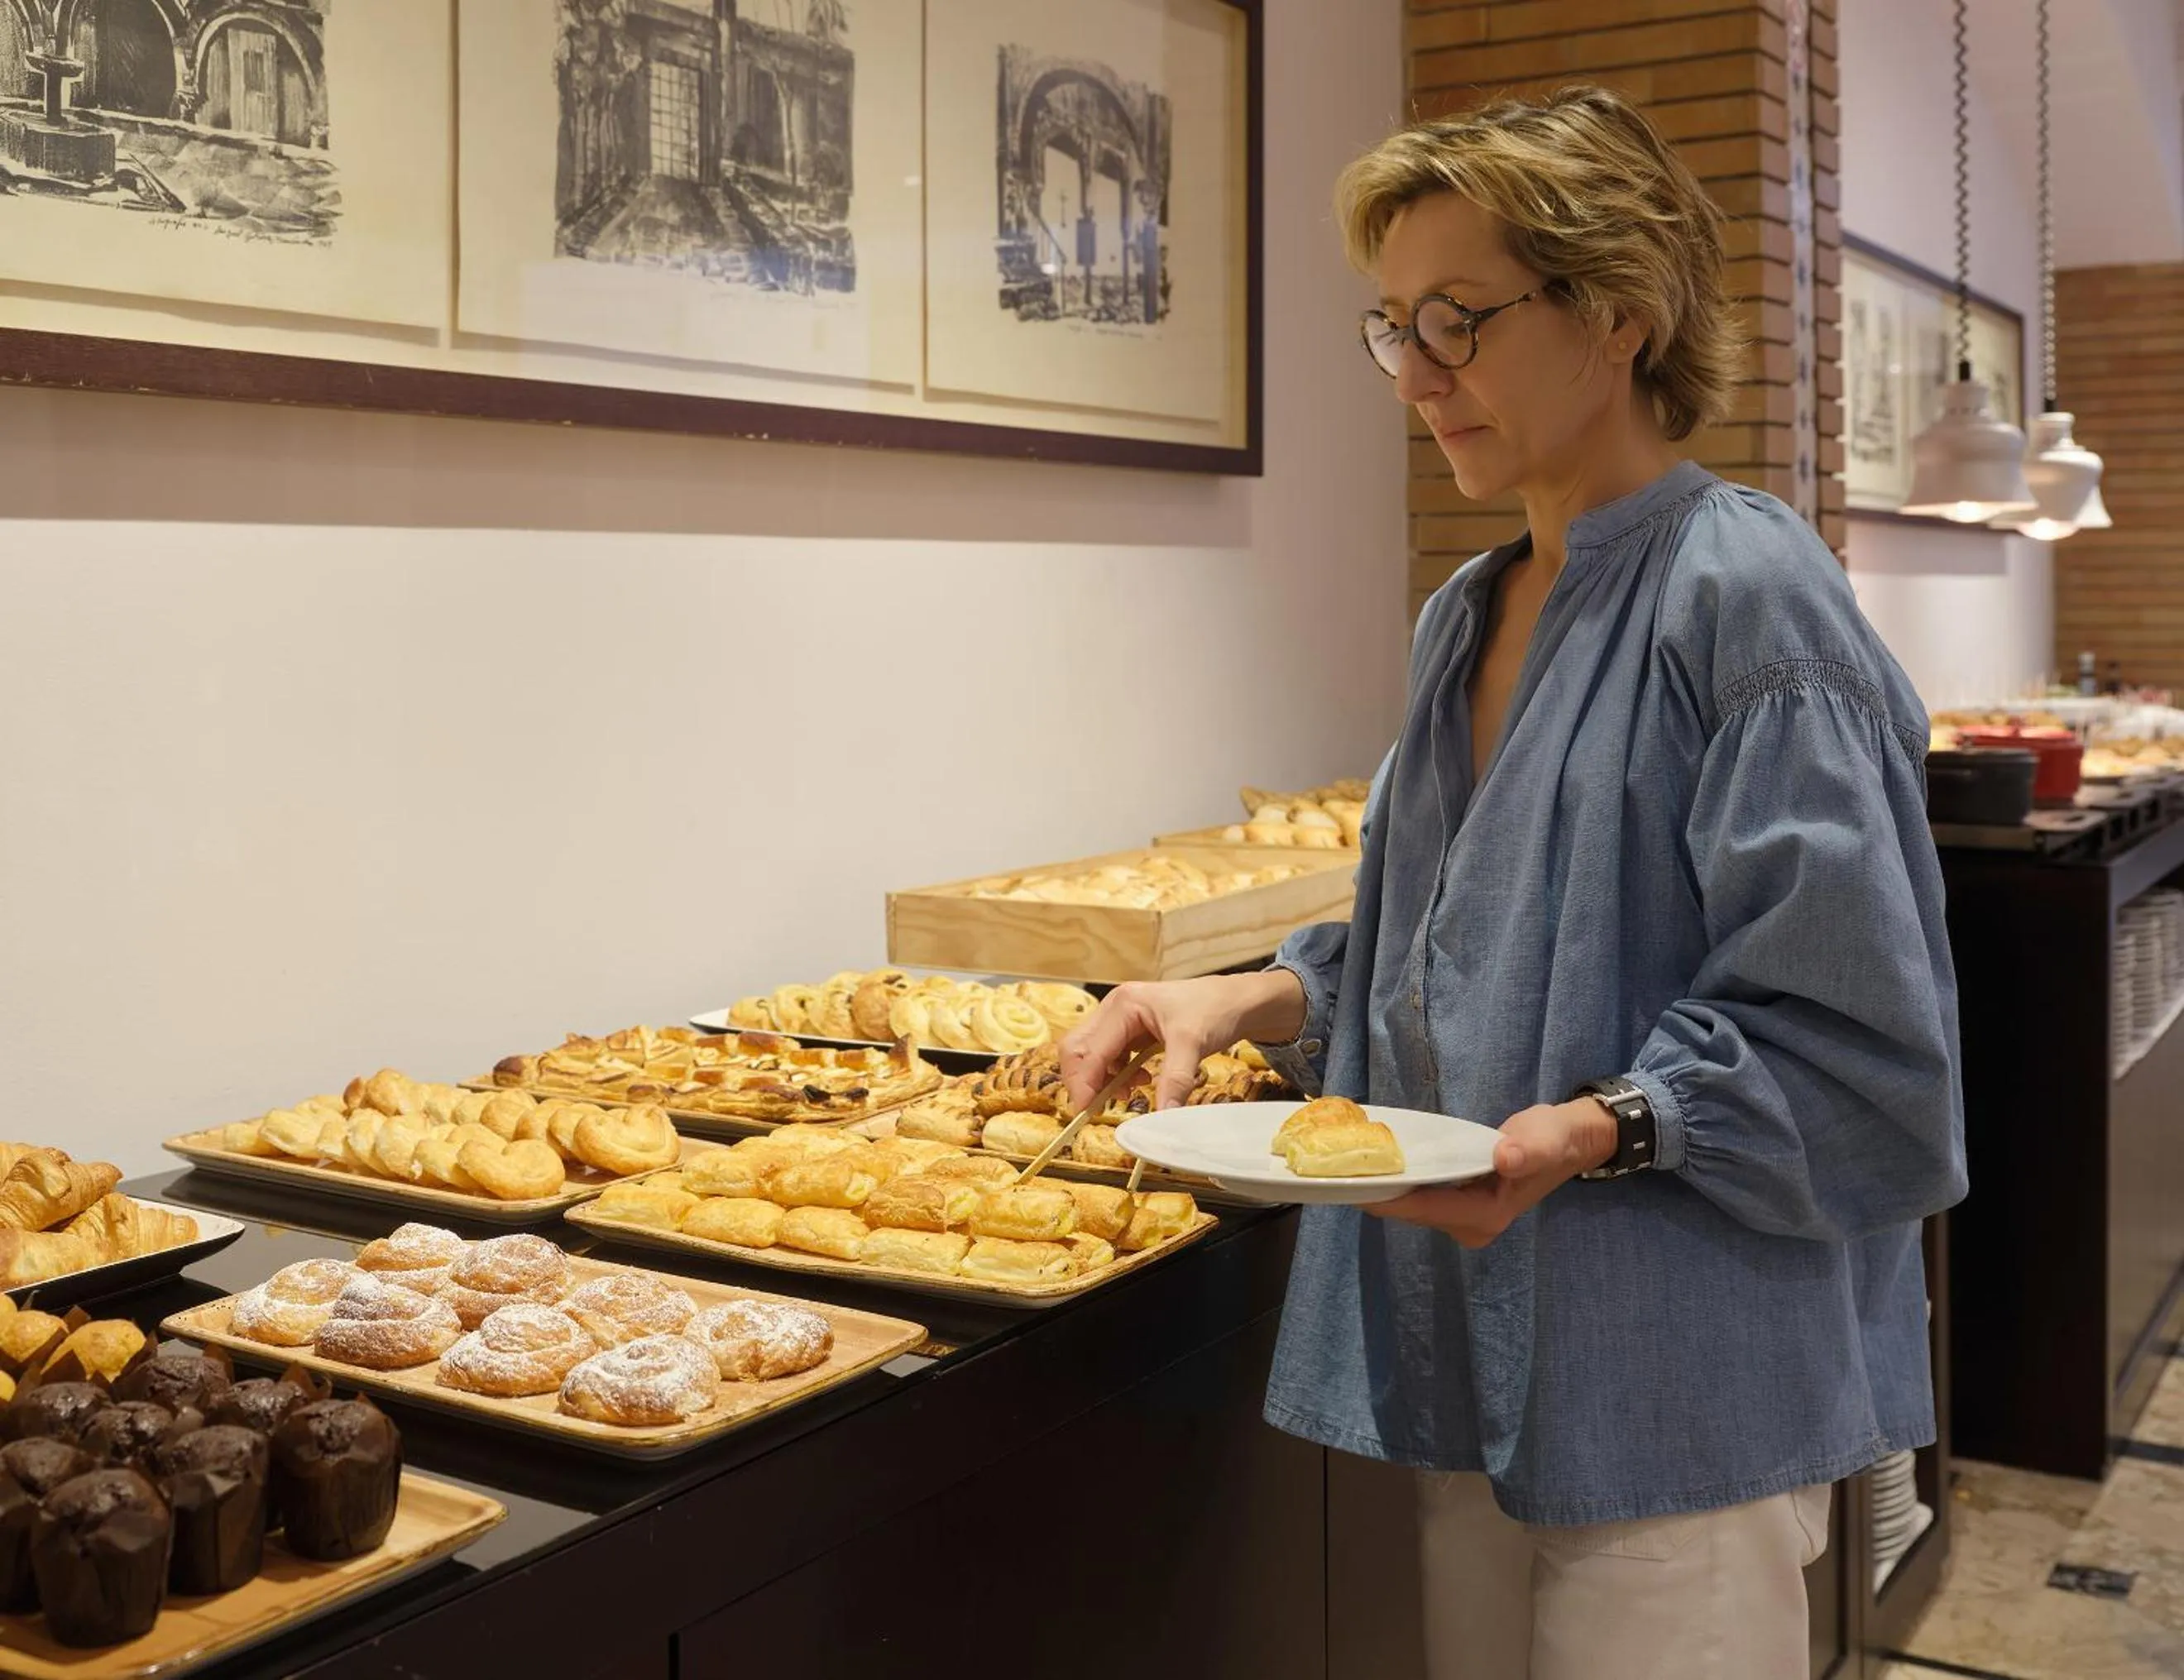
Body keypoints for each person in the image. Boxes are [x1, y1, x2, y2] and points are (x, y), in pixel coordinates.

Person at [1061, 86, 1966, 1680]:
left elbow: (1863, 1033)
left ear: (1616, 311)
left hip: (1683, 1391)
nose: (1417, 377)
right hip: (1473, 1349)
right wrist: (1254, 991)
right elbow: (1453, 943)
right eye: (1394, 328)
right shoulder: (1467, 612)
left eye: (1460, 321)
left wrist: (1608, 1121)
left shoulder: (1748, 592)